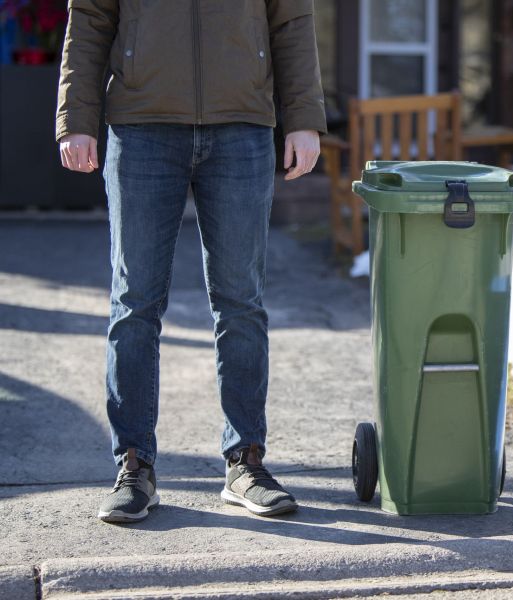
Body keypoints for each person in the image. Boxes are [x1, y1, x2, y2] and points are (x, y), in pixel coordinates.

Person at [54, 0, 327, 523]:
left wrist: (304, 118)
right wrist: (76, 117)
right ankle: (135, 465)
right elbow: (88, 18)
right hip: (141, 127)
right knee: (134, 303)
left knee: (241, 302)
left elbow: (292, 20)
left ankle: (245, 461)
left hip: (243, 126)